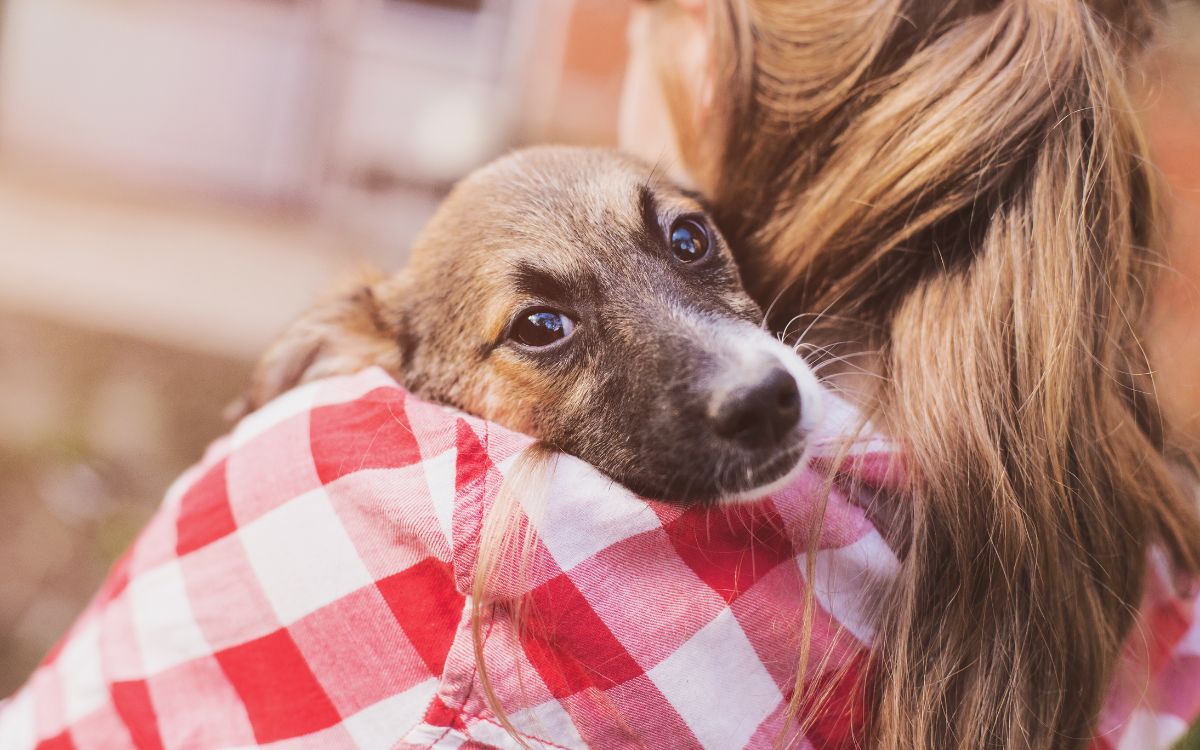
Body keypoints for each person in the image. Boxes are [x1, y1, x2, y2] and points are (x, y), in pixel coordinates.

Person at [2, 1, 1198, 749]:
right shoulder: (1110, 572)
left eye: (684, 239)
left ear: (694, 50)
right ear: (406, 362)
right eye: (540, 329)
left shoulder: (379, 528)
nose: (743, 374)